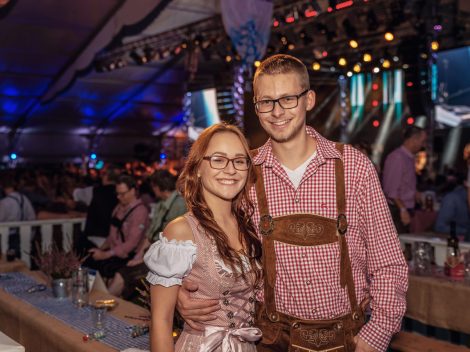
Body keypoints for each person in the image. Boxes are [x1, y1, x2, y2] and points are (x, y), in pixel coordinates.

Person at [176, 54, 408, 352]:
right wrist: (179, 289)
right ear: (256, 106)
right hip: (270, 340)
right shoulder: (243, 171)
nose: (276, 111)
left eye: (288, 99)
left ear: (309, 100)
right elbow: (200, 238)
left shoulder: (352, 166)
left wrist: (375, 336)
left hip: (349, 338)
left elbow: (388, 263)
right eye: (266, 102)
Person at [144, 123, 263, 351]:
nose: (230, 170)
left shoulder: (248, 224)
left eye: (239, 160)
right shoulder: (181, 231)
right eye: (218, 159)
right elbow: (160, 321)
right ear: (198, 167)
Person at [107, 169, 186, 298]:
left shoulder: (179, 204)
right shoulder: (163, 203)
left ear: (156, 186)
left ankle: (103, 308)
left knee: (122, 275)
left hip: (165, 259)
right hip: (154, 254)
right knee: (122, 273)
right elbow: (150, 235)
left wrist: (142, 258)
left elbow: (172, 240)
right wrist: (138, 257)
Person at [83, 174, 149, 280]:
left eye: (122, 194)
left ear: (133, 191)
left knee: (102, 267)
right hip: (114, 252)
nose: (118, 197)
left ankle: (102, 293)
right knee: (87, 260)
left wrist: (105, 254)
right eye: (117, 194)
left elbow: (131, 244)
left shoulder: (140, 211)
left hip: (127, 256)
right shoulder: (118, 207)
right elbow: (111, 236)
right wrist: (100, 250)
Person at [382, 124, 427, 233]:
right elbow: (390, 190)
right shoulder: (397, 157)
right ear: (414, 140)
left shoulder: (408, 157)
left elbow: (402, 183)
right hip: (396, 212)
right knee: (397, 247)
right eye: (422, 141)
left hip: (403, 209)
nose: (423, 145)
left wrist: (414, 193)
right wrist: (402, 210)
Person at [0, 175, 36, 258]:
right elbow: (32, 218)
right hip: (23, 236)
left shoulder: (4, 203)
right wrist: (30, 237)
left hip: (9, 239)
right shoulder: (24, 198)